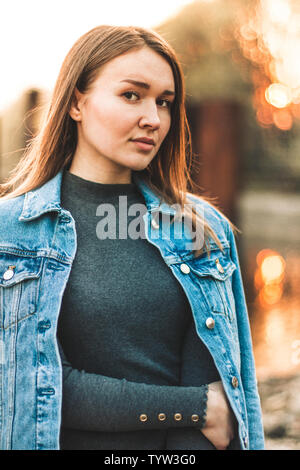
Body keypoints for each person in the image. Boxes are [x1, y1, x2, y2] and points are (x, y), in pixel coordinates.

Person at [0, 25, 264, 451]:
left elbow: (222, 407)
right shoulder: (10, 232)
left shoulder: (202, 228)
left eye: (165, 102)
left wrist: (195, 416)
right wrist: (192, 406)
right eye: (131, 95)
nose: (153, 119)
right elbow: (39, 388)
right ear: (76, 103)